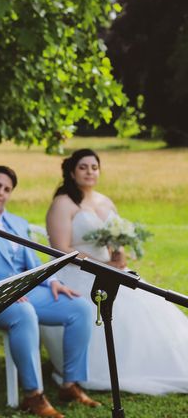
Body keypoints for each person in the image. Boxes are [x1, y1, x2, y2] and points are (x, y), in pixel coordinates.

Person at [0, 166, 99, 418]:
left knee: (79, 307)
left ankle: (69, 384)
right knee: (24, 313)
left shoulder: (17, 223)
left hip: (25, 293)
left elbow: (33, 263)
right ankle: (33, 396)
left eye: (7, 189)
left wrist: (52, 282)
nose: (0, 192)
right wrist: (6, 290)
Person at [42, 148, 188, 394]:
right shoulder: (63, 203)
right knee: (112, 308)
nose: (90, 172)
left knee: (149, 304)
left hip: (111, 269)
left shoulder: (104, 201)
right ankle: (107, 369)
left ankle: (158, 363)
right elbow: (61, 249)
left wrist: (118, 254)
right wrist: (103, 265)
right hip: (77, 271)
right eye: (83, 167)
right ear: (71, 171)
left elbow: (115, 239)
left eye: (94, 167)